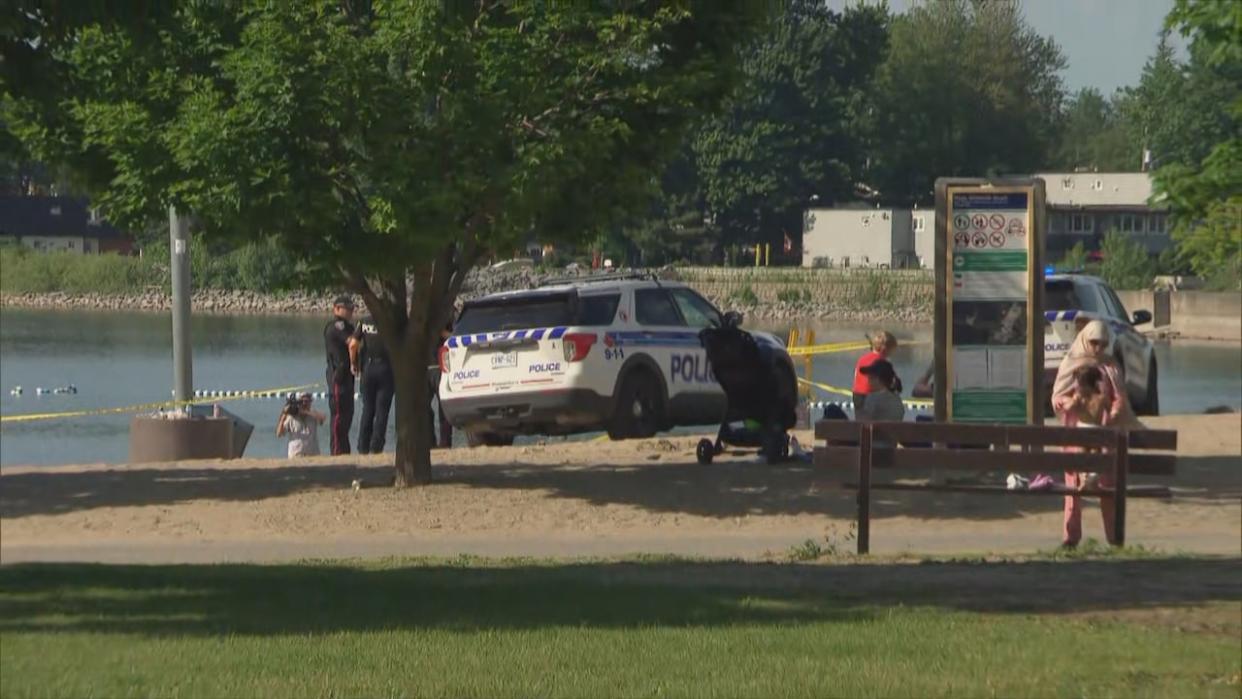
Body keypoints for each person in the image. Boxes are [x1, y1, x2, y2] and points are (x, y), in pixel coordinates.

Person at [1050, 319, 1140, 547]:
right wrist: (1068, 403)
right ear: (1084, 340)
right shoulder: (1072, 364)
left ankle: (1113, 538)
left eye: (1103, 343)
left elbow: (1120, 396)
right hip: (1075, 436)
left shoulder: (1110, 367)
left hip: (1105, 438)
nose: (1098, 348)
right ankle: (1070, 538)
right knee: (1073, 490)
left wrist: (1116, 410)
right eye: (1094, 343)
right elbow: (1057, 396)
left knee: (1108, 488)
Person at [349, 314, 394, 455]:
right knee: (382, 410)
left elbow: (353, 345)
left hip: (368, 368)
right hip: (386, 367)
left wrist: (353, 363)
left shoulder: (364, 321)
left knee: (367, 409)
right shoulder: (391, 320)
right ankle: (376, 446)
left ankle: (362, 446)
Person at [324, 295, 356, 455]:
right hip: (338, 375)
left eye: (352, 308)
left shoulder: (349, 326)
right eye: (347, 308)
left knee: (348, 415)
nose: (351, 311)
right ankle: (337, 451)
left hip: (348, 377)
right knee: (338, 417)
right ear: (337, 308)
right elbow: (352, 342)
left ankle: (344, 450)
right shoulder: (336, 326)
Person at [852, 331, 897, 413]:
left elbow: (856, 376)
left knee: (861, 420)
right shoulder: (883, 362)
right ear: (886, 349)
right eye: (892, 350)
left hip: (857, 395)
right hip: (872, 396)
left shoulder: (862, 359)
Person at [276, 392, 326, 458]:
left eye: (306, 401)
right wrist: (283, 416)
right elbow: (279, 434)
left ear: (310, 402)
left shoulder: (313, 415)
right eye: (301, 401)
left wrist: (306, 412)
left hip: (313, 455)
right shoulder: (291, 418)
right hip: (296, 455)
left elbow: (322, 418)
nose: (304, 403)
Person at [857, 359, 906, 424]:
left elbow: (862, 424)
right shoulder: (897, 398)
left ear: (877, 379)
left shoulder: (873, 398)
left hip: (876, 433)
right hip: (895, 433)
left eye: (870, 378)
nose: (868, 382)